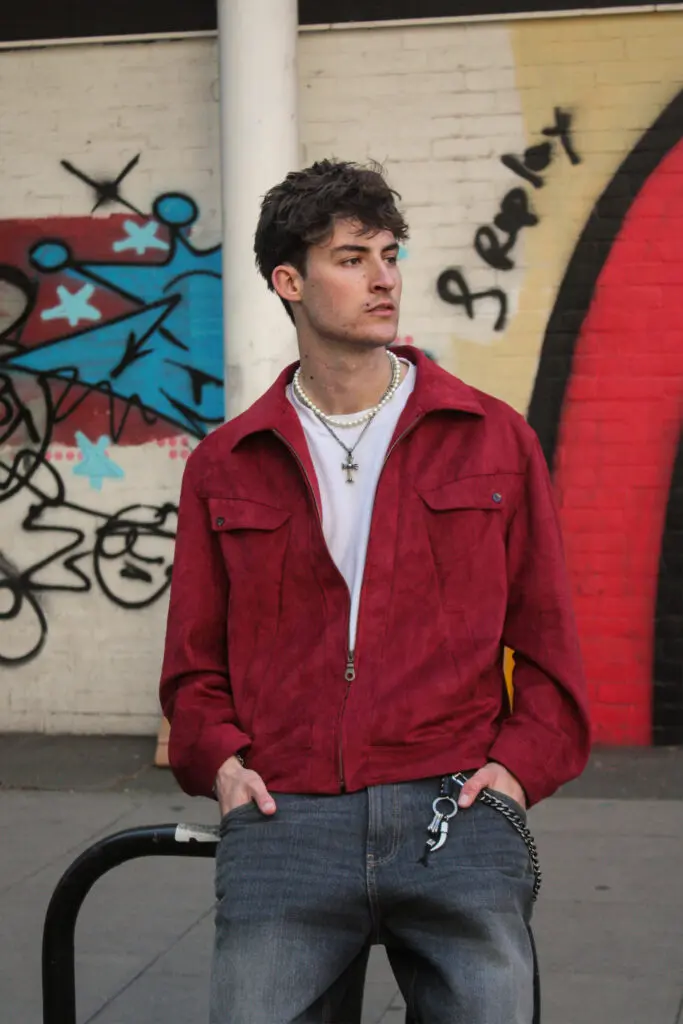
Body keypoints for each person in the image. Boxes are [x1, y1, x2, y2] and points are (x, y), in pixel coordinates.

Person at [159, 159, 591, 1024]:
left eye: (389, 253)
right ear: (288, 280)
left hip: (452, 804)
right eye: (352, 257)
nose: (384, 276)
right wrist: (224, 766)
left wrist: (513, 773)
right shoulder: (226, 462)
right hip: (286, 813)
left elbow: (548, 641)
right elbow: (192, 663)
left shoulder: (489, 437)